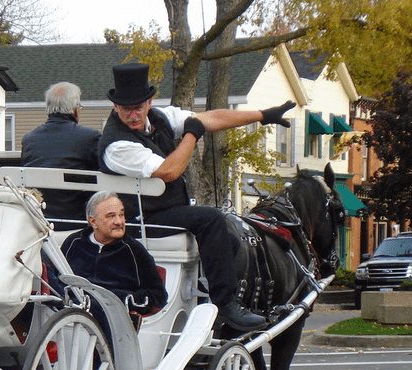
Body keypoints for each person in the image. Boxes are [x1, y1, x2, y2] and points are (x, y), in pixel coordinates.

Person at [98, 63, 295, 332]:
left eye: (138, 108)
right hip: (140, 219)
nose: (133, 115)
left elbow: (210, 119)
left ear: (149, 102)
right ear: (115, 107)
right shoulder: (117, 145)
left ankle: (205, 291)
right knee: (211, 218)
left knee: (229, 237)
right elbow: (169, 170)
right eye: (125, 109)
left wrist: (262, 115)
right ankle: (225, 306)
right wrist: (192, 134)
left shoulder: (159, 117)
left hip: (165, 211)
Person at [60, 191, 167, 319]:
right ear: (93, 222)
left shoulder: (134, 250)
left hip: (117, 320)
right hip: (72, 316)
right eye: (111, 216)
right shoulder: (73, 243)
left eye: (121, 215)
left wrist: (122, 299)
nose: (119, 222)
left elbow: (159, 295)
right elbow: (57, 281)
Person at [21, 82, 101, 227]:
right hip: (78, 221)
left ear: (48, 109)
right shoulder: (90, 137)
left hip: (38, 221)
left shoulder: (29, 139)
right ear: (75, 110)